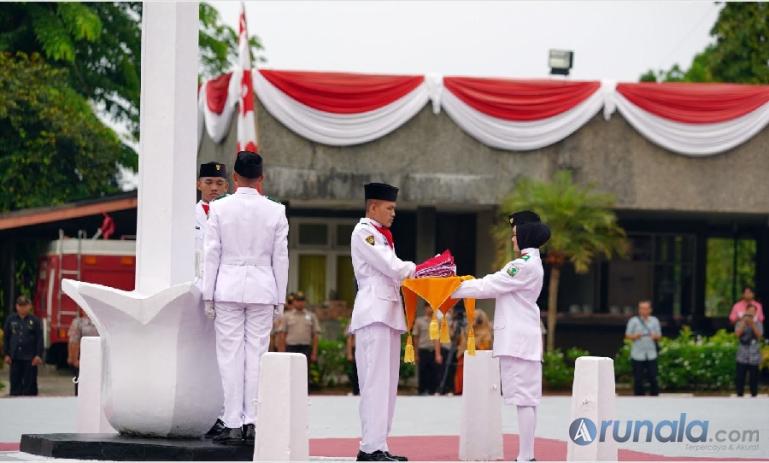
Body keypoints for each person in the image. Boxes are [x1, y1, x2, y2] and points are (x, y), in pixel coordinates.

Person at [202, 151, 289, 445]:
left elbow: (211, 254)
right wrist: (280, 299)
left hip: (227, 287)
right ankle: (252, 421)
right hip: (263, 289)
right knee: (256, 356)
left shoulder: (219, 208)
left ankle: (232, 422)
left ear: (234, 177)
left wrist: (208, 295)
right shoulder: (276, 211)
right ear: (261, 178)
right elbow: (281, 258)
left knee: (230, 356)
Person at [451, 210, 550, 462]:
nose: (513, 239)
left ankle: (525, 457)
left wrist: (447, 288)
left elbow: (488, 285)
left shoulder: (522, 266)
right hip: (523, 339)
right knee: (527, 399)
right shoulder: (532, 263)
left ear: (525, 236)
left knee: (524, 399)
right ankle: (527, 455)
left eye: (515, 235)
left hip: (517, 341)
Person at [350, 182, 415, 462]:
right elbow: (391, 266)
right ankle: (369, 448)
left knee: (388, 386)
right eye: (389, 208)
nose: (393, 213)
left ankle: (380, 444)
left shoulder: (382, 235)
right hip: (373, 313)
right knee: (374, 383)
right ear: (373, 207)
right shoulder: (363, 231)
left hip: (388, 313)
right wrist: (420, 270)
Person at [3, 296, 44, 396]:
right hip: (15, 357)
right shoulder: (11, 320)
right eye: (20, 305)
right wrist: (6, 354)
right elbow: (6, 338)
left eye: (25, 305)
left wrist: (38, 355)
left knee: (30, 386)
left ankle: (29, 402)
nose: (22, 308)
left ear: (29, 306)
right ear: (16, 306)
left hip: (30, 358)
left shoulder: (35, 320)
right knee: (15, 384)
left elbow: (39, 339)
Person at [195, 162, 228, 284]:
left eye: (219, 183)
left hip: (223, 282)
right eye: (208, 182)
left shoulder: (234, 216)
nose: (214, 187)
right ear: (199, 185)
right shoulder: (188, 215)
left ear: (226, 187)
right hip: (195, 281)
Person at [280, 291, 321, 387]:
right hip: (290, 347)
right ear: (294, 302)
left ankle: (304, 391)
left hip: (305, 347)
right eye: (298, 300)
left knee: (304, 371)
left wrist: (314, 352)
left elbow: (315, 335)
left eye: (302, 300)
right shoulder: (287, 316)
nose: (300, 303)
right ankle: (289, 390)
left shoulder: (311, 316)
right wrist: (281, 351)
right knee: (289, 371)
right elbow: (282, 334)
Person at [625, 300, 661, 396]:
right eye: (642, 308)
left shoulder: (654, 321)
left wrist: (654, 336)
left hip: (651, 353)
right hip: (637, 353)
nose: (644, 310)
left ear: (650, 310)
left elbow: (659, 336)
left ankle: (654, 397)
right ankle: (638, 397)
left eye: (646, 308)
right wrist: (635, 336)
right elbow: (627, 335)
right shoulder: (633, 321)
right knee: (638, 378)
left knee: (653, 376)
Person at [454, 309, 493, 395]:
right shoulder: (466, 331)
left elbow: (484, 348)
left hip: (479, 361)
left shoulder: (485, 333)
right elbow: (461, 345)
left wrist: (473, 340)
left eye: (473, 318)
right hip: (465, 359)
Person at [412, 306, 443, 395]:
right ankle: (422, 391)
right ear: (425, 308)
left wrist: (438, 354)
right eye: (429, 307)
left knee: (434, 372)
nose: (431, 309)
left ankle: (432, 391)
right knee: (423, 371)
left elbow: (438, 338)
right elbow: (416, 338)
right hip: (423, 349)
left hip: (433, 350)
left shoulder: (438, 321)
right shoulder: (419, 321)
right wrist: (416, 354)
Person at [67, 310, 100, 395]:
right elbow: (74, 341)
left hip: (99, 360)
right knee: (81, 386)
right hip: (83, 360)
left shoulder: (101, 321)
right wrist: (74, 359)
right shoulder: (78, 322)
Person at [735, 303, 763, 397]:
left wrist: (753, 324)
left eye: (753, 312)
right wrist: (744, 322)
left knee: (754, 377)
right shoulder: (740, 322)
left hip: (754, 353)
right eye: (749, 311)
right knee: (740, 376)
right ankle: (739, 394)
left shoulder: (758, 323)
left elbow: (759, 336)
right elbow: (737, 334)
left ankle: (754, 394)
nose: (751, 314)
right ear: (746, 311)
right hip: (742, 353)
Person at [345, 323, 360, 396]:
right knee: (355, 371)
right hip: (356, 348)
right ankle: (355, 391)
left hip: (367, 348)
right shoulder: (353, 321)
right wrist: (349, 353)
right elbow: (349, 338)